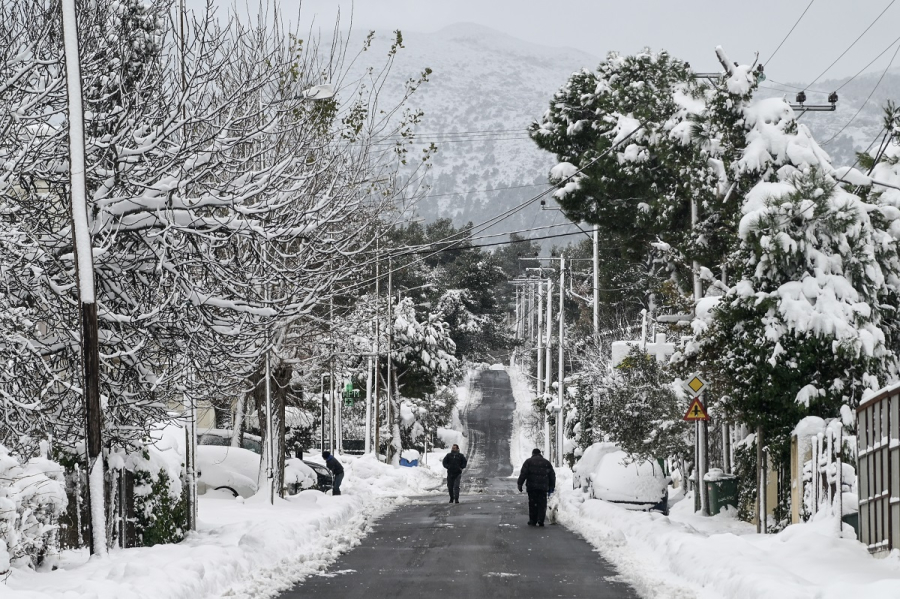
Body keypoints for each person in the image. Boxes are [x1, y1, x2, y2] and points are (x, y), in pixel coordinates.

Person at [517, 448, 556, 526]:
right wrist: (552, 486)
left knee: (532, 504)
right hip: (543, 488)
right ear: (540, 453)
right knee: (542, 504)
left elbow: (523, 474)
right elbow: (552, 475)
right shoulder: (546, 463)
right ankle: (541, 520)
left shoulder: (528, 462)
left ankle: (533, 520)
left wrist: (520, 484)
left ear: (533, 454)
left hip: (532, 487)